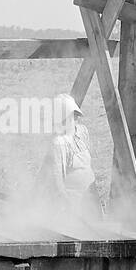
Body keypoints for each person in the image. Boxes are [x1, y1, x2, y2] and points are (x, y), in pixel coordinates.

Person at [48, 93, 100, 221]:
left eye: (74, 116)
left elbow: (90, 160)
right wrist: (65, 199)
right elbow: (57, 175)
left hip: (90, 191)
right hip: (72, 197)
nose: (73, 120)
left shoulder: (83, 131)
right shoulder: (58, 142)